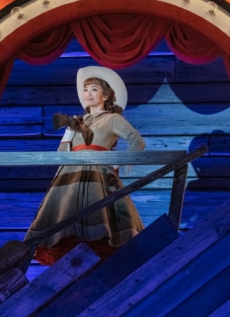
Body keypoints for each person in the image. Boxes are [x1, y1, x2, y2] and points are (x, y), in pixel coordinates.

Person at [24, 66, 146, 265]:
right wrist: (69, 134)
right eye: (86, 89)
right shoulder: (75, 122)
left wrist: (124, 160)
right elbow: (61, 154)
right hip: (71, 173)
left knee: (100, 213)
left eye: (94, 89)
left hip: (98, 172)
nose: (88, 93)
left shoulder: (112, 118)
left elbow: (137, 141)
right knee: (65, 215)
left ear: (106, 96)